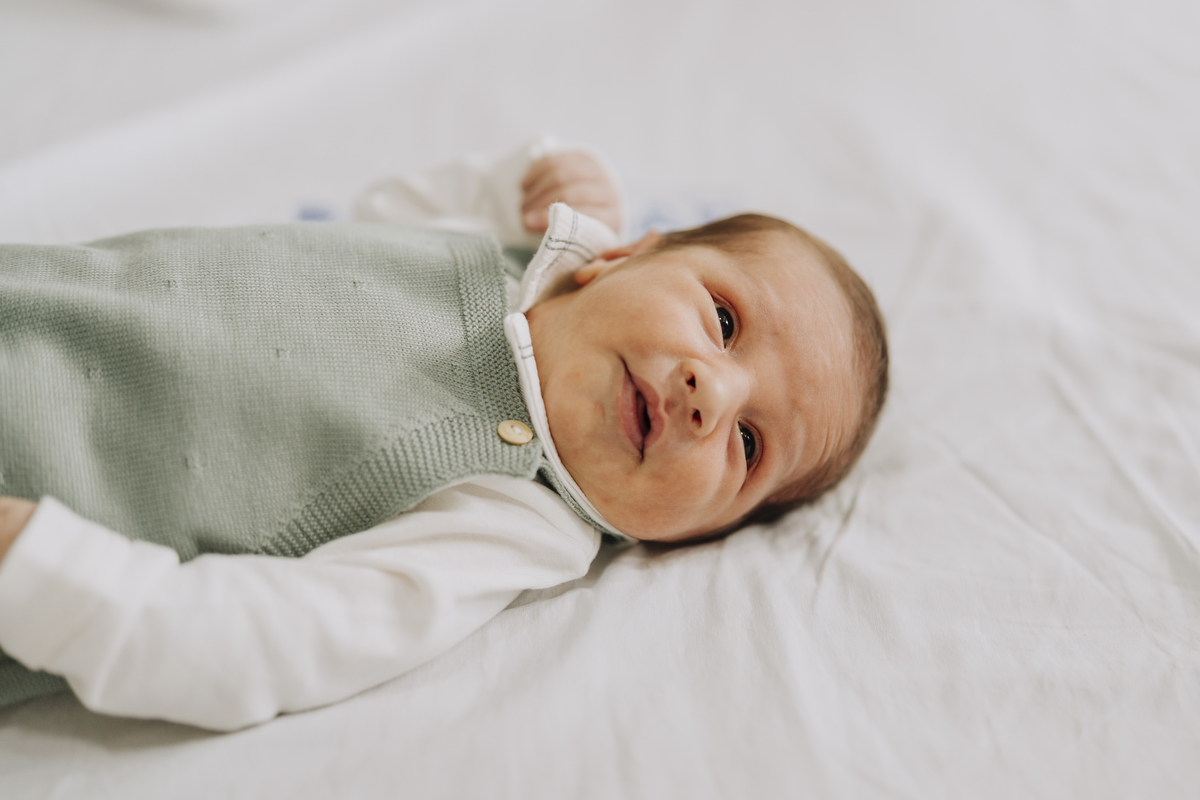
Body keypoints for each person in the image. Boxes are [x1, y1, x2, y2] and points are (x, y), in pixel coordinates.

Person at [0, 142, 888, 730]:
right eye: (724, 321)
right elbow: (381, 203)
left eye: (749, 446)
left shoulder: (508, 516)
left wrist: (42, 569)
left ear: (697, 535)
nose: (712, 395)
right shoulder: (486, 252)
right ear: (622, 255)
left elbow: (272, 640)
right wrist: (522, 185)